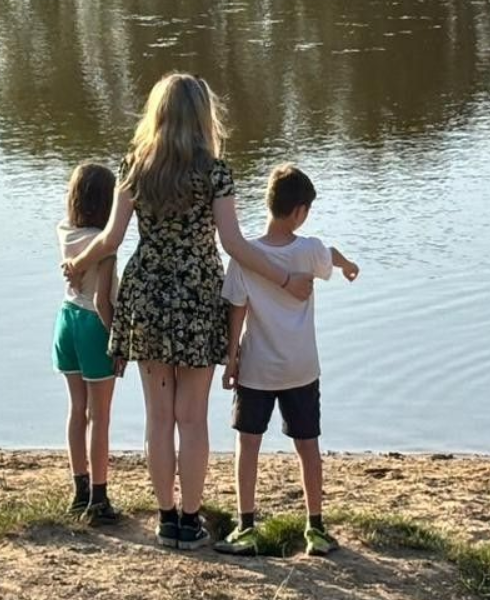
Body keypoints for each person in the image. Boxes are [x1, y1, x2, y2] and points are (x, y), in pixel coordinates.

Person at [61, 73, 312, 550]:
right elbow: (233, 243)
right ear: (202, 115)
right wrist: (282, 277)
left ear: (156, 113)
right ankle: (192, 521)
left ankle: (167, 519)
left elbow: (112, 239)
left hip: (148, 294)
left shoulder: (135, 166)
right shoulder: (215, 171)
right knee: (192, 418)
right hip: (197, 295)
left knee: (159, 418)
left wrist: (77, 262)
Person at [214, 164, 358, 557]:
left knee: (248, 444)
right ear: (300, 211)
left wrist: (230, 359)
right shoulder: (308, 250)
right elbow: (330, 254)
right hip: (301, 368)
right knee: (308, 445)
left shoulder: (245, 256)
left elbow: (237, 312)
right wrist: (346, 266)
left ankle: (245, 526)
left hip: (257, 368)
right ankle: (316, 527)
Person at [52, 162, 123, 524]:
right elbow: (101, 301)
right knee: (101, 416)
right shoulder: (104, 246)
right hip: (94, 325)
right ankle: (99, 495)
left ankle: (78, 489)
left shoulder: (65, 232)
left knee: (76, 410)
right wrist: (118, 341)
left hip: (65, 321)